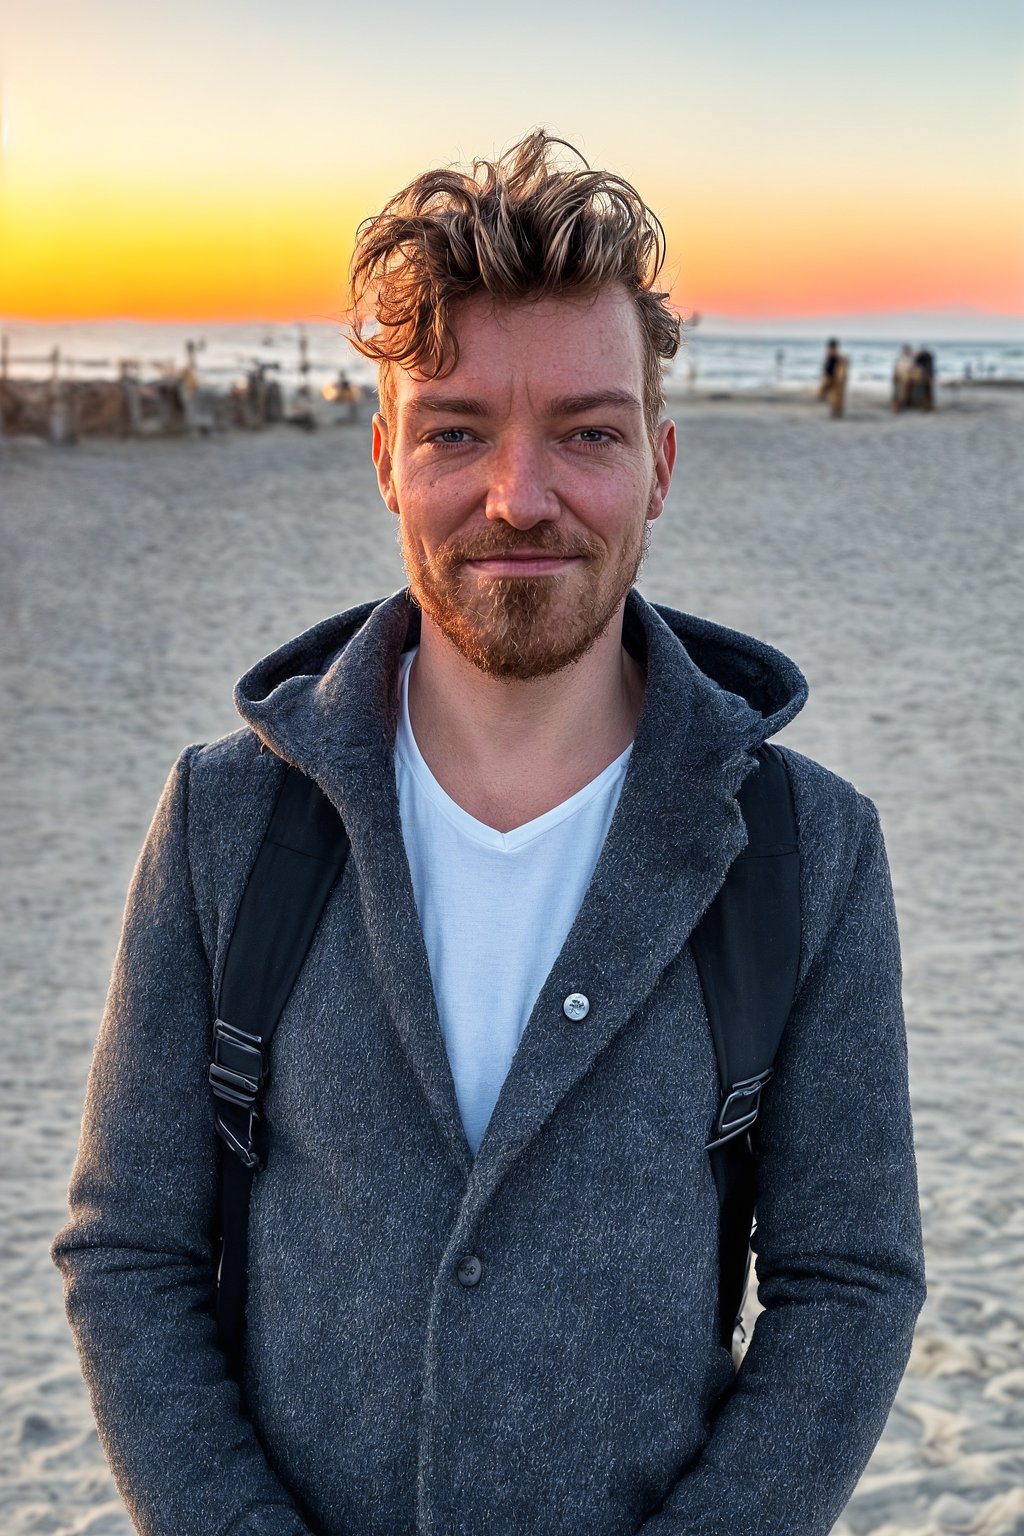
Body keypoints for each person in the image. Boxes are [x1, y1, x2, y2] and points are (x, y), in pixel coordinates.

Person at [53, 131, 925, 1536]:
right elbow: (130, 1253)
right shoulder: (227, 820)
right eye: (458, 429)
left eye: (587, 430)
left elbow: (851, 1281)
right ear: (388, 456)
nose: (521, 496)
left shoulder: (807, 851)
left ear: (661, 464)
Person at [818, 336, 848, 417]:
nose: (831, 350)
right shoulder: (829, 357)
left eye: (833, 348)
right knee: (832, 398)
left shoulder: (839, 359)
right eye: (830, 348)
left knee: (837, 398)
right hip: (829, 378)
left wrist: (840, 379)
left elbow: (841, 371)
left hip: (836, 379)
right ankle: (835, 411)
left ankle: (837, 412)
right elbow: (826, 367)